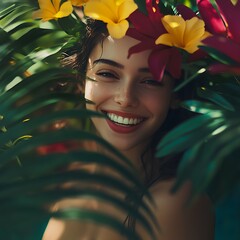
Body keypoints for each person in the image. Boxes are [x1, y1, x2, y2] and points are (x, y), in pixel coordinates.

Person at [41, 1, 215, 240]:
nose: (125, 98)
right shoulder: (76, 178)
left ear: (175, 95)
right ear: (82, 82)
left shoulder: (173, 202)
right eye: (107, 74)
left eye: (150, 80)